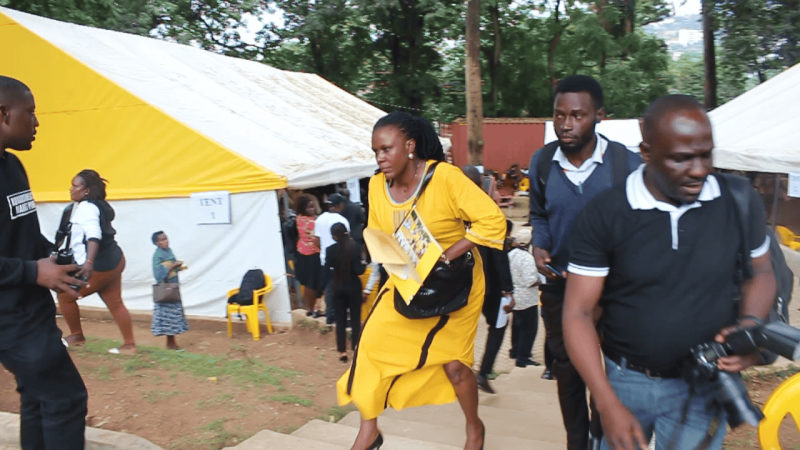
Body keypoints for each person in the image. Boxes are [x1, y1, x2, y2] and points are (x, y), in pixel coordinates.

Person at [563, 95, 776, 450]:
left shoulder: (738, 200)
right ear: (647, 153)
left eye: (706, 154)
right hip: (625, 382)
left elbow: (762, 270)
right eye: (681, 158)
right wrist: (606, 401)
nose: (699, 170)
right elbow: (577, 313)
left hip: (705, 384)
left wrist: (749, 324)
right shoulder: (606, 214)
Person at [337, 111, 506, 450]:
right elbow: (379, 232)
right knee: (368, 346)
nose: (380, 158)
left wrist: (451, 252)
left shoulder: (444, 178)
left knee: (455, 367)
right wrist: (385, 255)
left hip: (457, 281)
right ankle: (369, 431)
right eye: (376, 151)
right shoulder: (376, 186)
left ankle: (474, 428)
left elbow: (492, 220)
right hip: (406, 277)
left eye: (387, 149)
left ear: (410, 146)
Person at [527, 74, 641, 450]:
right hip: (561, 287)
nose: (566, 124)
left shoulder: (626, 164)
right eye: (559, 115)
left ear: (599, 116)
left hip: (614, 290)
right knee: (568, 369)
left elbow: (643, 225)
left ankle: (600, 435)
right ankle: (577, 441)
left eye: (577, 115)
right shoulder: (542, 162)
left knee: (611, 370)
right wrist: (539, 245)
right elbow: (539, 214)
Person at [0, 76, 88, 449]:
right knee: (66, 398)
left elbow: (23, 233)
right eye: (31, 112)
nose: (37, 122)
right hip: (9, 319)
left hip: (31, 310)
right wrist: (35, 271)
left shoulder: (13, 166)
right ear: (4, 114)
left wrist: (56, 258)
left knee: (38, 397)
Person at [55, 169, 136, 355]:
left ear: (86, 191)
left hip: (100, 266)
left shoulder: (87, 208)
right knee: (116, 303)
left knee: (65, 296)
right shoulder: (98, 205)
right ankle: (129, 345)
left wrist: (89, 262)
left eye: (75, 186)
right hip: (114, 260)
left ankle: (77, 336)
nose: (71, 189)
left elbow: (93, 235)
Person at [475, 220, 515, 394]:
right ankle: (483, 372)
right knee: (499, 325)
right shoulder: (492, 221)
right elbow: (500, 258)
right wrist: (508, 290)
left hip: (465, 285)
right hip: (490, 287)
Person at [324, 223, 366, 363]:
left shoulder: (330, 250)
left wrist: (321, 289)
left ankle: (342, 351)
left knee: (340, 320)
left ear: (335, 236)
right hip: (354, 287)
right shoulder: (355, 248)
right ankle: (356, 348)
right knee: (355, 320)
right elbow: (359, 270)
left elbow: (326, 270)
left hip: (337, 288)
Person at [508, 229, 541, 369]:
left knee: (516, 326)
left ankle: (515, 351)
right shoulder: (527, 258)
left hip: (515, 296)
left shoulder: (511, 254)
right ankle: (523, 357)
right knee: (529, 330)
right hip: (527, 298)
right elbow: (530, 280)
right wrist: (541, 279)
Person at [315, 193, 350, 325]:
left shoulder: (319, 219)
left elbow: (316, 240)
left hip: (325, 258)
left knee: (329, 288)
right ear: (340, 205)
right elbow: (347, 240)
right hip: (342, 259)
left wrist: (324, 251)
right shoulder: (342, 220)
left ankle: (330, 316)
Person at [151, 231, 189, 350]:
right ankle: (171, 343)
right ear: (156, 243)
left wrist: (179, 267)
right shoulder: (157, 255)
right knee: (168, 317)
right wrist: (173, 266)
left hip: (173, 286)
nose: (165, 241)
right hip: (166, 290)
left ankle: (171, 342)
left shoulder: (169, 251)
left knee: (174, 315)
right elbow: (159, 274)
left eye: (166, 238)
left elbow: (171, 269)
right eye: (162, 240)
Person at [294, 194, 323, 317]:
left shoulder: (299, 218)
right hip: (313, 253)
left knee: (307, 283)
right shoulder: (314, 221)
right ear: (303, 208)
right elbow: (317, 238)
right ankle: (314, 308)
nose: (312, 209)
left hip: (301, 252)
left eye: (313, 207)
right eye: (309, 207)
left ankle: (309, 308)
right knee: (313, 283)